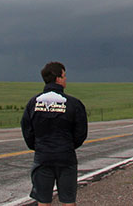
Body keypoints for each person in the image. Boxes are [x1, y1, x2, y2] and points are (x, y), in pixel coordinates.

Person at [20, 61, 88, 206]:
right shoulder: (73, 104)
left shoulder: (33, 103)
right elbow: (81, 132)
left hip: (43, 156)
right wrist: (68, 145)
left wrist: (38, 146)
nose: (65, 79)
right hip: (66, 156)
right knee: (68, 200)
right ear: (58, 78)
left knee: (43, 200)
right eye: (64, 76)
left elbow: (27, 129)